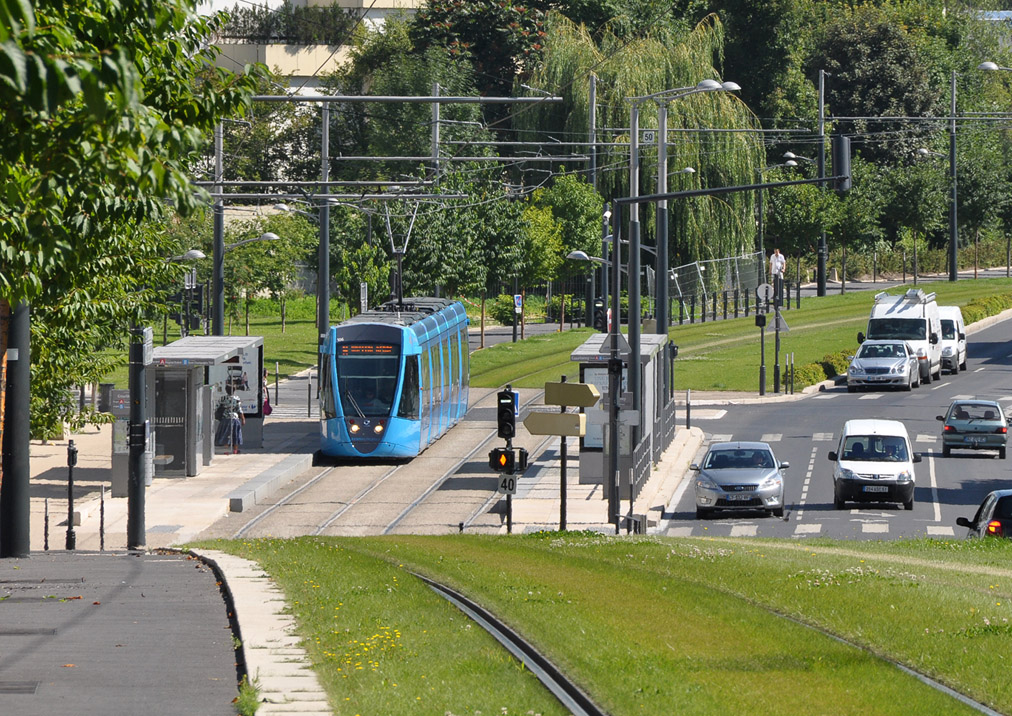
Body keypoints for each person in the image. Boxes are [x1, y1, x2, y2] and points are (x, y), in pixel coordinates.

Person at [214, 384, 245, 454]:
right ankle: (235, 450)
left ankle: (226, 450)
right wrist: (243, 419)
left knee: (226, 434)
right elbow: (239, 410)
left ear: (226, 390)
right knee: (236, 434)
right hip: (235, 419)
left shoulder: (223, 398)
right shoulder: (236, 399)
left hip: (225, 418)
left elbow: (216, 407)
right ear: (234, 390)